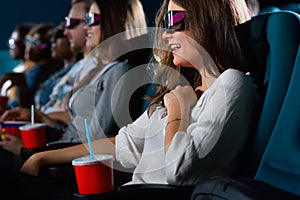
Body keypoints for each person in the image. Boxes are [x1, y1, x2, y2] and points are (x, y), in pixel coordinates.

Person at [0, 0, 261, 199]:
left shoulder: (232, 84)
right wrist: (41, 158)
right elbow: (124, 144)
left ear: (209, 18)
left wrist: (179, 111)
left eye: (175, 19)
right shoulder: (180, 90)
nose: (166, 32)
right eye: (164, 22)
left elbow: (180, 172)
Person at [0, 0, 148, 161]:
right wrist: (42, 120)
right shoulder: (106, 69)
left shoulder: (120, 72)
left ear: (114, 21)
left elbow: (95, 144)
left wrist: (28, 153)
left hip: (64, 163)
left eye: (92, 19)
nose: (86, 27)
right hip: (57, 150)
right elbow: (74, 133)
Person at [0, 23, 59, 108]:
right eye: (28, 41)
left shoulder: (41, 72)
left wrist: (21, 85)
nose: (29, 47)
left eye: (36, 44)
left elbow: (25, 106)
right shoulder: (28, 69)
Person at [3, 23, 36, 105]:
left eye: (17, 43)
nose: (12, 46)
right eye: (11, 41)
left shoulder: (34, 72)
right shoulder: (20, 68)